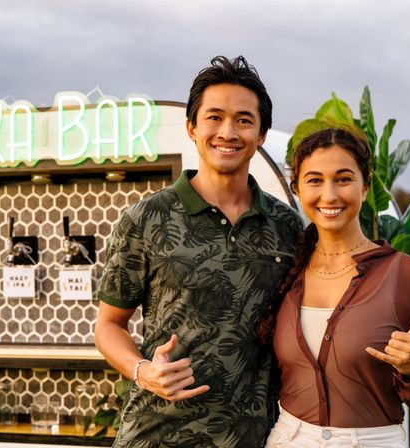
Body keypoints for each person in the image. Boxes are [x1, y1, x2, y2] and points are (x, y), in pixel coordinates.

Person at [94, 55, 303, 447]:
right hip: (156, 433)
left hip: (250, 436)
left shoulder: (287, 226)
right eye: (214, 117)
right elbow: (108, 326)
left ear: (260, 135)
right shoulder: (145, 218)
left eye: (244, 120)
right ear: (191, 127)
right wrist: (142, 371)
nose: (228, 131)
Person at [264, 127, 410, 447]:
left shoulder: (408, 275)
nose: (330, 195)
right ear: (297, 189)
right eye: (315, 180)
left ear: (365, 187)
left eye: (344, 179)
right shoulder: (287, 271)